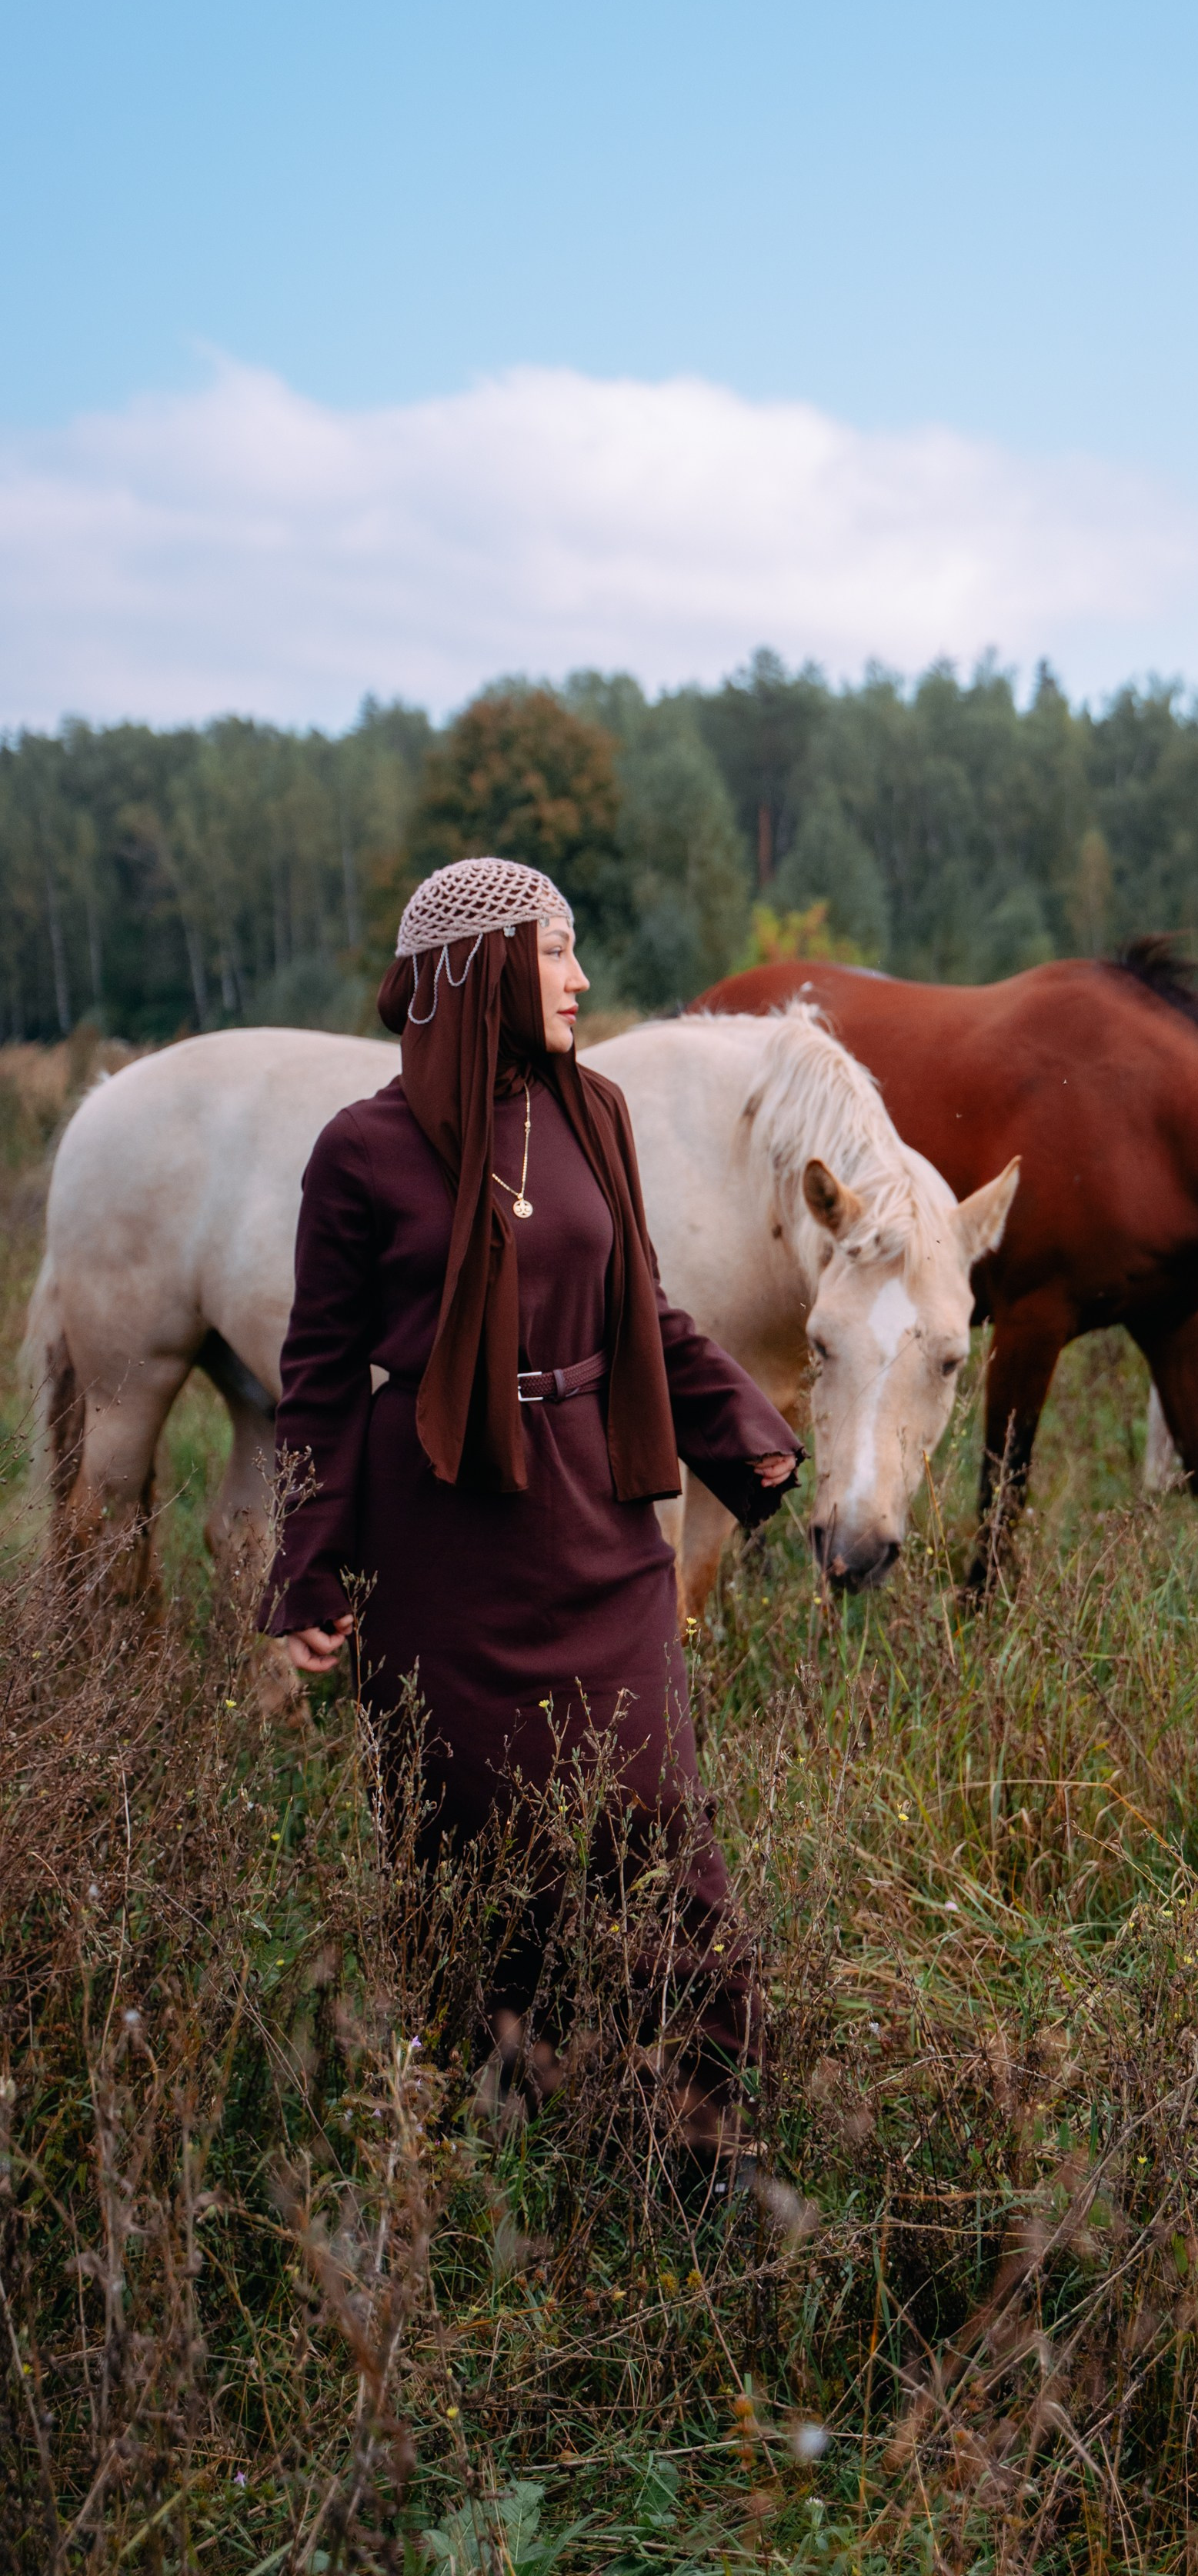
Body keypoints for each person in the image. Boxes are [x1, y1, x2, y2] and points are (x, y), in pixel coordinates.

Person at [264, 855, 800, 2154]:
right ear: (486, 965)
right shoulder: (362, 1152)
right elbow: (322, 1379)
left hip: (598, 1524)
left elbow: (644, 1309)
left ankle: (702, 2129)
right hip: (441, 1539)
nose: (583, 977)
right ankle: (494, 2125)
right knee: (466, 1849)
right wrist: (311, 1574)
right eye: (557, 950)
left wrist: (743, 1434)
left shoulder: (593, 1112)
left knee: (661, 1826)